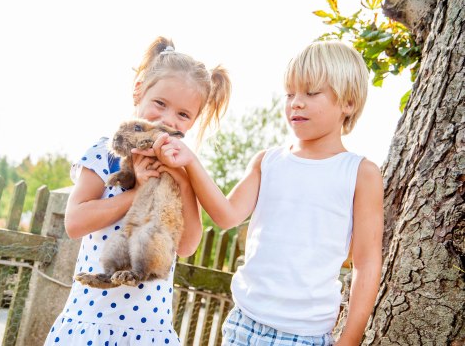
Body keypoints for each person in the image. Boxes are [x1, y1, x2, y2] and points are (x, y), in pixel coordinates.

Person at [137, 40, 384, 345]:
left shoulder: (361, 173)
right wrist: (191, 162)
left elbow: (367, 262)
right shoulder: (267, 162)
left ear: (348, 102)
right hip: (243, 324)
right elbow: (226, 216)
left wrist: (350, 340)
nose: (296, 103)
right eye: (290, 93)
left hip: (304, 336)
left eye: (311, 92)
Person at [44, 36, 231, 346]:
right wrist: (137, 191)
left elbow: (186, 246)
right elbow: (74, 223)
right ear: (138, 91)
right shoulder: (104, 154)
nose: (168, 119)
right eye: (160, 103)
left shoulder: (181, 173)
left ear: (193, 122)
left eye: (183, 114)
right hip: (92, 323)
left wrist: (184, 181)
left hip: (149, 331)